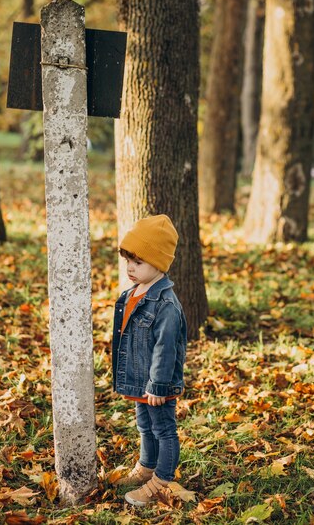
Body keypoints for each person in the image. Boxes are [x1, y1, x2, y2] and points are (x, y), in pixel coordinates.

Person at [111, 214, 187, 507]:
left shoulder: (165, 304)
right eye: (128, 259)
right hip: (140, 379)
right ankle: (146, 466)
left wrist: (158, 385)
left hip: (157, 383)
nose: (130, 267)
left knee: (163, 428)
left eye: (138, 262)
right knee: (144, 425)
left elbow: (166, 348)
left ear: (159, 263)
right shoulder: (133, 293)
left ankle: (162, 480)